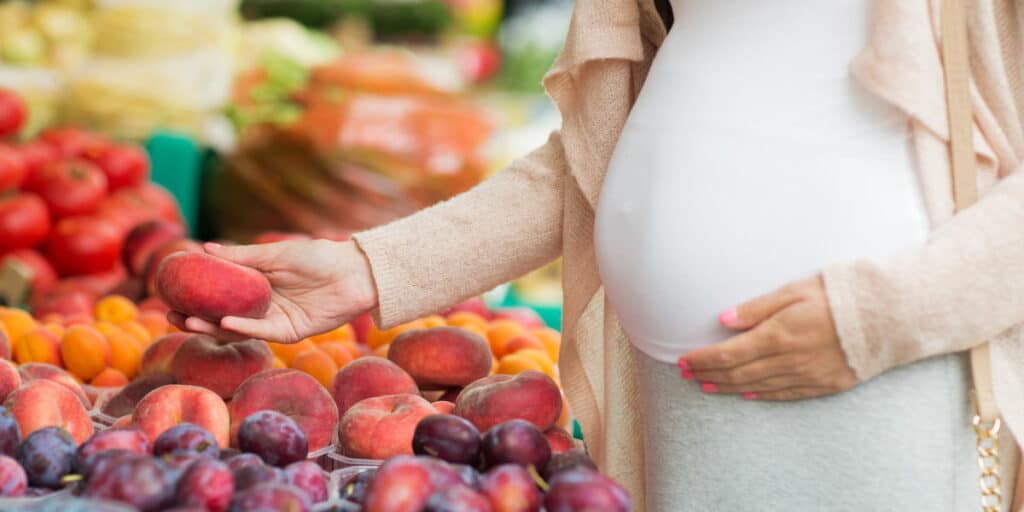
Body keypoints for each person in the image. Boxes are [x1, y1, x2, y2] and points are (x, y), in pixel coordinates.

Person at [172, 0, 1024, 509]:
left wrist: (883, 318)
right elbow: (598, 149)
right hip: (666, 387)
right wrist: (373, 267)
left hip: (878, 376)